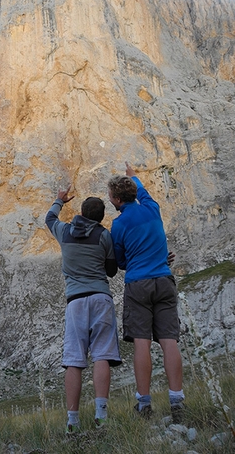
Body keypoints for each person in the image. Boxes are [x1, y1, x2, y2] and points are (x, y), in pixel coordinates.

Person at [107, 162, 184, 422]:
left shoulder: (118, 225)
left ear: (117, 199)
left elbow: (121, 262)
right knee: (168, 341)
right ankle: (177, 401)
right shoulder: (152, 208)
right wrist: (134, 177)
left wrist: (137, 260)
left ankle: (144, 404)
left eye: (111, 197)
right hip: (164, 279)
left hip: (138, 283)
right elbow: (144, 193)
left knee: (142, 342)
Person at [45, 185, 122, 434]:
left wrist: (59, 200)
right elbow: (111, 270)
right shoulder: (103, 235)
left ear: (81, 211)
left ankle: (72, 421)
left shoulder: (65, 231)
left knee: (74, 361)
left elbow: (49, 219)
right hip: (100, 297)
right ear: (100, 217)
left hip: (75, 301)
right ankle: (101, 415)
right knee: (101, 355)